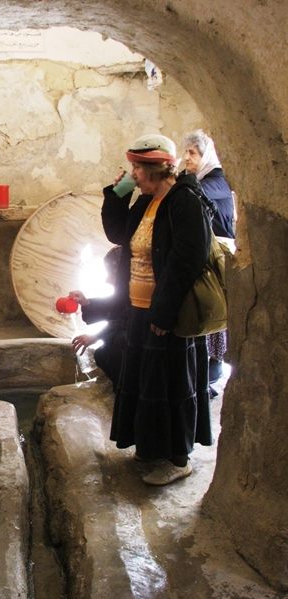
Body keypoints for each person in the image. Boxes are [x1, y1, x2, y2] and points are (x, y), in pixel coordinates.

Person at [101, 133, 213, 486]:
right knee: (147, 384)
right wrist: (117, 195)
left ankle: (178, 458)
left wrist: (164, 313)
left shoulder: (184, 201)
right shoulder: (148, 201)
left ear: (155, 168)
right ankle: (152, 448)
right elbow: (118, 234)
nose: (133, 174)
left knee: (172, 385)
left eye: (137, 168)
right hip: (140, 309)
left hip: (168, 313)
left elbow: (187, 261)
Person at [182, 130, 235, 389]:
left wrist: (179, 182)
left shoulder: (217, 179)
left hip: (219, 256)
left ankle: (214, 366)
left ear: (206, 155)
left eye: (192, 153)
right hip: (206, 254)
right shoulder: (198, 179)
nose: (187, 158)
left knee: (215, 309)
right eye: (186, 152)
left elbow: (197, 192)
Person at [69, 247, 128, 389]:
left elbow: (125, 320)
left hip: (134, 345)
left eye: (110, 273)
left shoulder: (141, 293)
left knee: (112, 350)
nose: (107, 280)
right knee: (102, 354)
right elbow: (113, 305)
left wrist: (96, 336)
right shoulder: (125, 291)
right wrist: (85, 302)